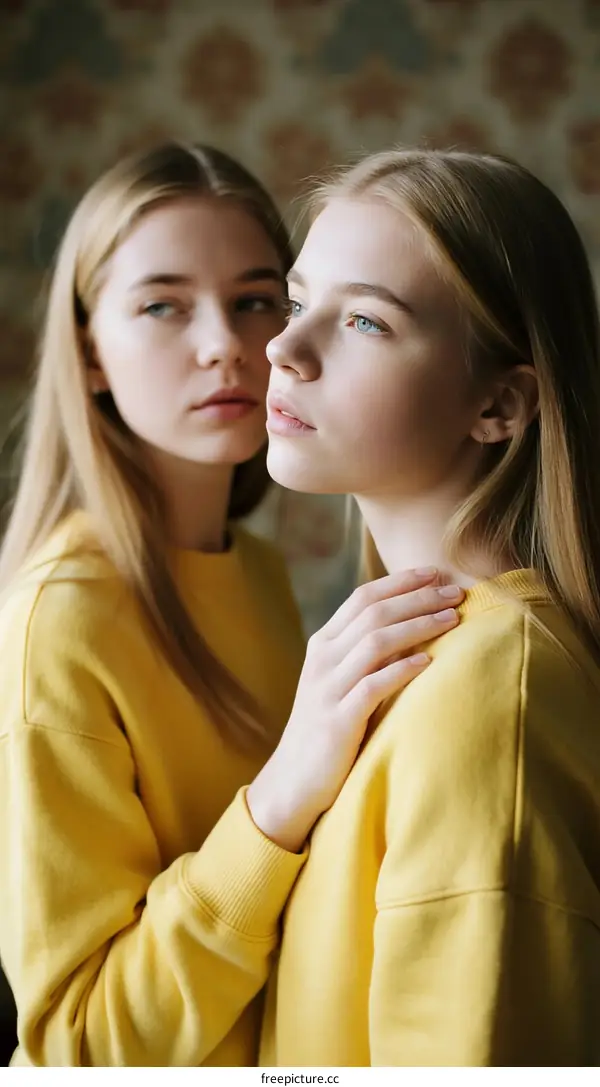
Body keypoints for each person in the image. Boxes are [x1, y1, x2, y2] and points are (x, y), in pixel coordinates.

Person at [0, 142, 463, 1067]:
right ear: (90, 353)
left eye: (258, 300)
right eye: (163, 305)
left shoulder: (250, 569)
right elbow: (74, 1048)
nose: (227, 343)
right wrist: (285, 791)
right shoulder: (63, 617)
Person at [260, 147, 600, 1067]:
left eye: (366, 321)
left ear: (498, 404)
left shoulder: (496, 696)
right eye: (298, 303)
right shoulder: (406, 658)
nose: (282, 349)